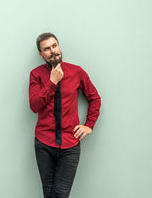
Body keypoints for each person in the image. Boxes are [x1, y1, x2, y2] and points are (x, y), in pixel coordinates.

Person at [28, 32, 101, 198]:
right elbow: (34, 106)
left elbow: (94, 98)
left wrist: (89, 125)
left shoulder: (77, 72)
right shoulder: (36, 75)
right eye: (47, 49)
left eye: (54, 46)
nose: (52, 51)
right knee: (48, 194)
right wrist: (52, 82)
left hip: (70, 145)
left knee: (60, 194)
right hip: (43, 144)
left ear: (59, 47)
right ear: (41, 54)